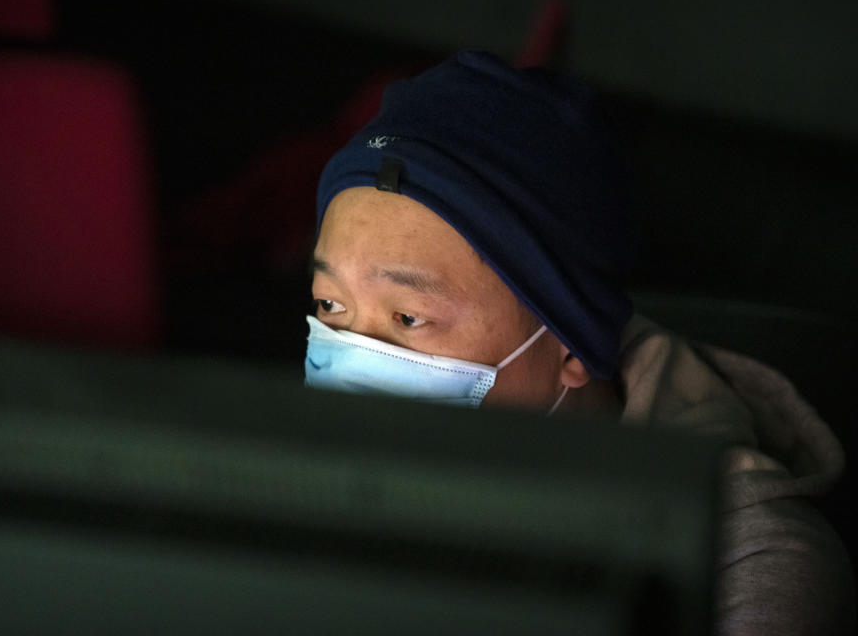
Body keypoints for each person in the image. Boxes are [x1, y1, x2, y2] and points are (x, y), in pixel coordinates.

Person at [302, 50, 855, 634]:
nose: (352, 354)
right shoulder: (304, 485)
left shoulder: (750, 570)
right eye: (330, 304)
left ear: (569, 345)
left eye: (409, 318)